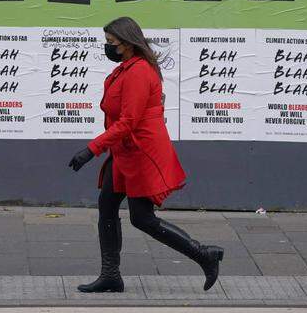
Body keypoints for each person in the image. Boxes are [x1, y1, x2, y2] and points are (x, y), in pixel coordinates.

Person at [68, 17, 224, 293]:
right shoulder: (126, 69)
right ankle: (111, 275)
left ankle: (204, 254)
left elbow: (128, 121)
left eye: (111, 44)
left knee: (142, 218)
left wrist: (90, 150)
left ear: (127, 44)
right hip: (125, 150)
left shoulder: (139, 72)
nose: (108, 48)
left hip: (140, 151)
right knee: (107, 205)